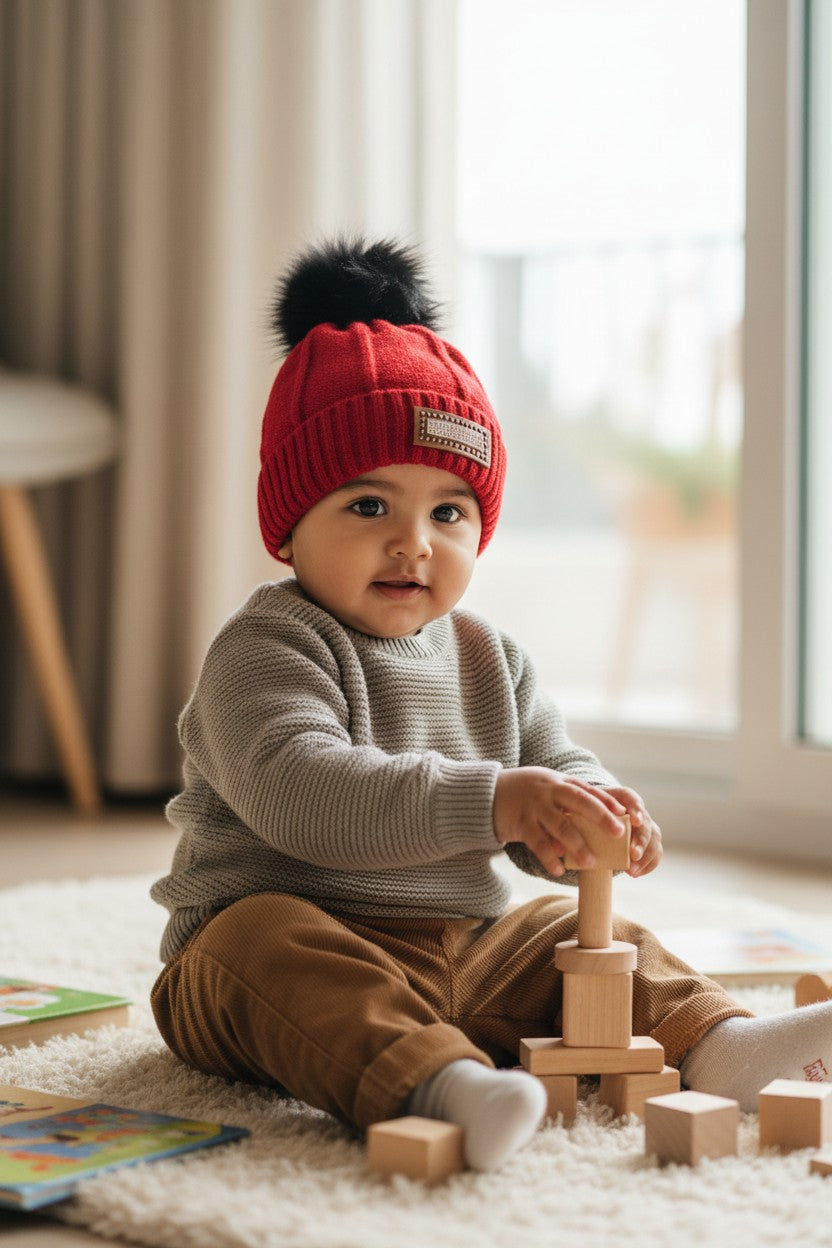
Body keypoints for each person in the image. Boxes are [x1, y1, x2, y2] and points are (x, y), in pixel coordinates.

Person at [151, 238, 832, 1171]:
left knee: (578, 937)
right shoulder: (265, 649)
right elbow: (302, 792)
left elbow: (551, 759)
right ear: (288, 525)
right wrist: (497, 801)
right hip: (278, 937)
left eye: (447, 514)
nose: (412, 544)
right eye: (366, 508)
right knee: (263, 946)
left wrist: (589, 806)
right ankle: (436, 1081)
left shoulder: (488, 655)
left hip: (459, 949)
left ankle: (722, 1043)